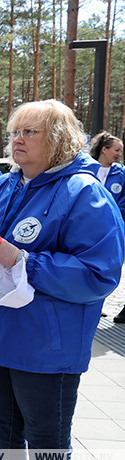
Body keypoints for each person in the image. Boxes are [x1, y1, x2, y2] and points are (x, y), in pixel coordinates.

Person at [0, 99, 124, 460]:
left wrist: (23, 261)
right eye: (15, 131)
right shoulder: (3, 186)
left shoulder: (84, 192)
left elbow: (99, 275)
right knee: (4, 433)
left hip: (45, 347)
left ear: (59, 140)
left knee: (47, 443)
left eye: (29, 132)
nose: (17, 140)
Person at [86, 132, 125, 323]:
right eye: (117, 150)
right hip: (87, 230)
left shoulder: (121, 173)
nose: (119, 154)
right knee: (90, 269)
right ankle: (92, 304)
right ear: (104, 149)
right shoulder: (86, 169)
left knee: (109, 269)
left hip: (112, 230)